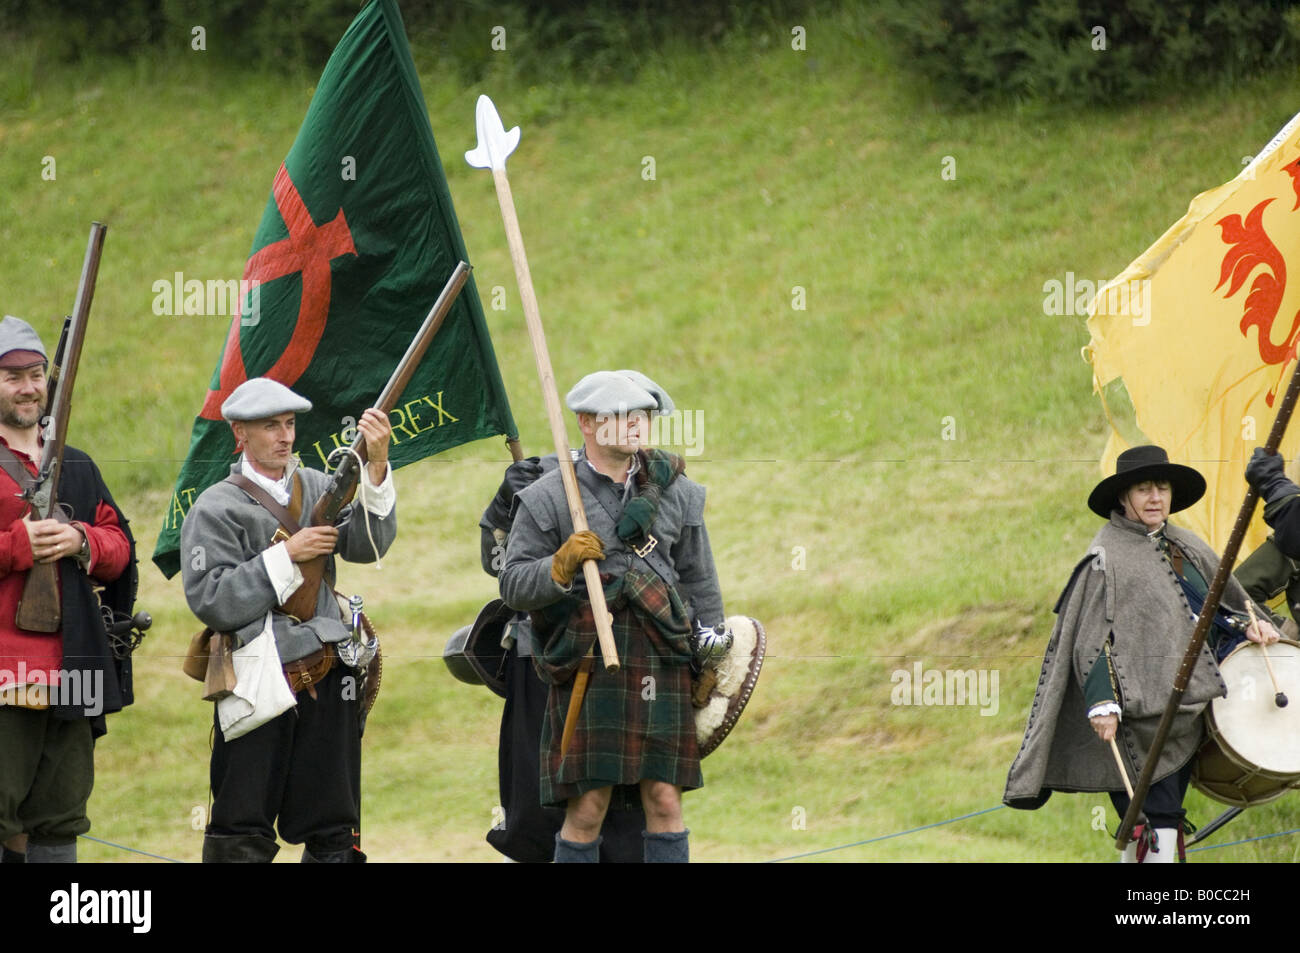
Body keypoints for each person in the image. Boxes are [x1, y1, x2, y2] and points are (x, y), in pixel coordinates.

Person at [1004, 445, 1279, 862]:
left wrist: (1248, 625)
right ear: (1123, 497)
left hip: (1187, 713)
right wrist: (1102, 703)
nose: (1155, 498)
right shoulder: (1106, 558)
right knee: (1155, 819)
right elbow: (1091, 640)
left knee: (1153, 822)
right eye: (1144, 489)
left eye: (1162, 488)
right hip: (1134, 722)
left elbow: (1214, 609)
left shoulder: (1187, 546)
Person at [499, 369, 724, 863]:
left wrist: (713, 655)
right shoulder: (549, 495)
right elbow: (512, 584)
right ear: (587, 423)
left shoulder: (677, 491)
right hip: (588, 660)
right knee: (587, 807)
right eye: (621, 415)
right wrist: (557, 566)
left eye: (642, 415)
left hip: (662, 655)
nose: (636, 424)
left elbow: (699, 579)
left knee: (665, 800)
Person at [180, 377, 395, 863]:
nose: (285, 436)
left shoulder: (318, 485)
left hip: (328, 667)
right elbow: (211, 599)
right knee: (241, 829)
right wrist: (286, 556)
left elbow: (370, 545)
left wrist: (377, 466)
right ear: (240, 433)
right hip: (257, 677)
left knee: (335, 829)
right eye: (270, 426)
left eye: (290, 424)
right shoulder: (216, 507)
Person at [0, 315, 136, 864]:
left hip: (73, 670)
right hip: (6, 674)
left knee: (60, 820)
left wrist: (81, 539)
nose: (28, 387)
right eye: (12, 377)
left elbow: (120, 548)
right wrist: (18, 545)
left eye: (36, 375)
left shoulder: (76, 464)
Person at [477, 452, 646, 862]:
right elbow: (499, 567)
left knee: (625, 810)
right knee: (538, 807)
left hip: (629, 657)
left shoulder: (645, 479)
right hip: (540, 660)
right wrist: (503, 506)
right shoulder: (541, 477)